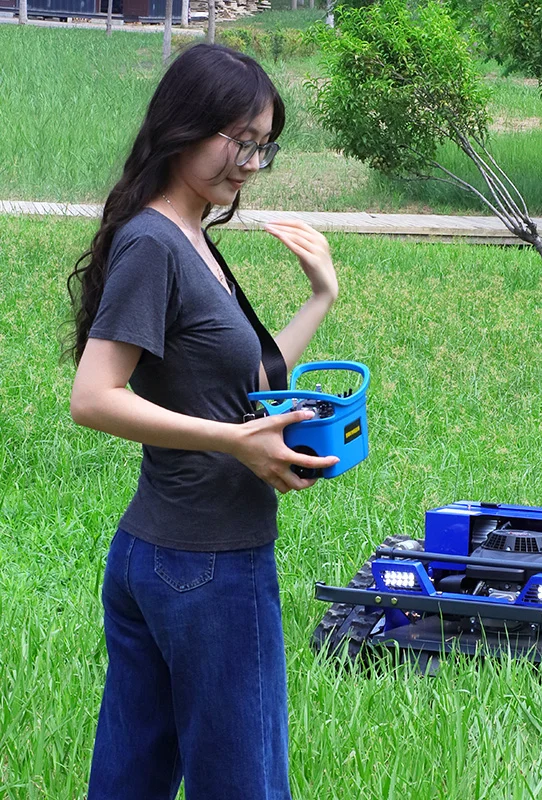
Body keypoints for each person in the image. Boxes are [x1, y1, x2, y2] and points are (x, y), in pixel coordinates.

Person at [67, 43, 339, 799]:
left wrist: (319, 298)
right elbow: (94, 396)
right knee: (244, 782)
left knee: (131, 781)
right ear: (183, 126)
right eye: (239, 141)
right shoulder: (154, 242)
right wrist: (234, 442)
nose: (251, 163)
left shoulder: (192, 239)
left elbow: (247, 386)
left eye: (263, 146)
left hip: (167, 557)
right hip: (206, 563)